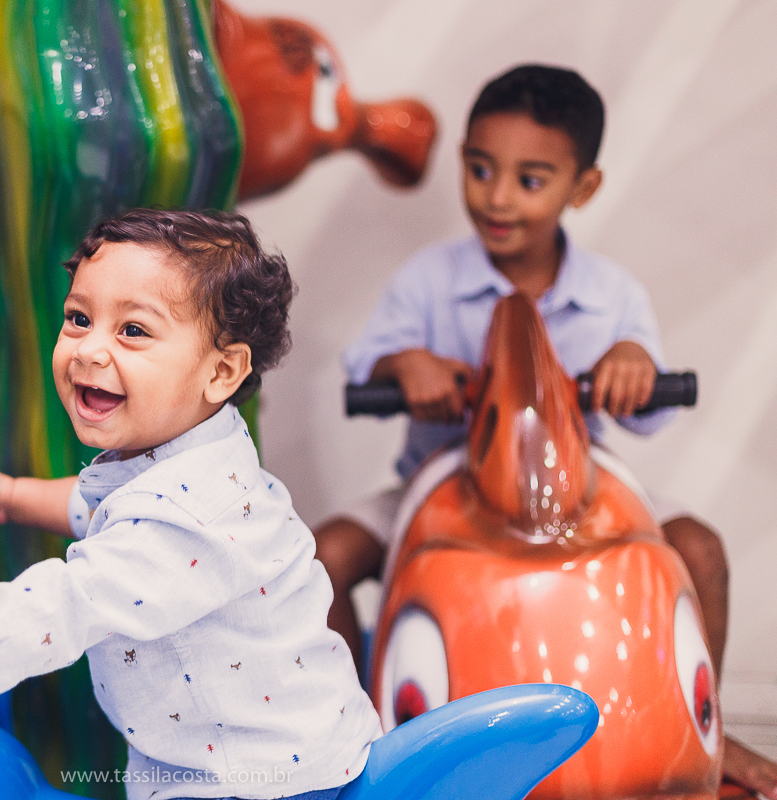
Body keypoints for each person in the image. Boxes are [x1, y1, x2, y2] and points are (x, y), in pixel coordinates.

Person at [315, 64, 777, 798]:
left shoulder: (610, 294)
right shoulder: (429, 280)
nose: (497, 197)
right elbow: (370, 357)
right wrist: (406, 365)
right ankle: (341, 734)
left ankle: (699, 722)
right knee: (322, 557)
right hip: (436, 481)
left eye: (530, 180)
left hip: (579, 484)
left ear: (581, 188)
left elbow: (651, 409)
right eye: (480, 169)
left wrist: (633, 366)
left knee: (701, 550)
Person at [0, 208, 380, 800]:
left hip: (252, 783)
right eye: (79, 318)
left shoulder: (187, 522)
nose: (89, 350)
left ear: (221, 371)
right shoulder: (196, 455)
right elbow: (108, 509)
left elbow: (57, 612)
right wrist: (10, 497)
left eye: (132, 330)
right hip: (269, 753)